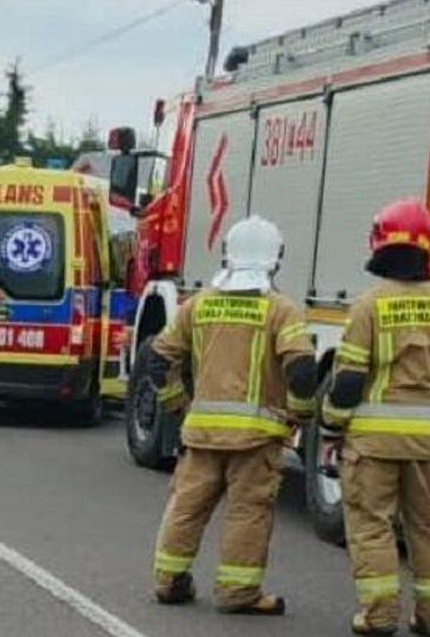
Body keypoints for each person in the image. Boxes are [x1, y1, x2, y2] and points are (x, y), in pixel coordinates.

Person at [321, 199, 430, 636]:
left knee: (372, 527)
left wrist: (330, 427)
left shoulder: (368, 306)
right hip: (427, 445)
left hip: (372, 447)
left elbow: (348, 383)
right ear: (427, 246)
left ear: (379, 243)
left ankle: (378, 617)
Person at [148, 216, 317, 616]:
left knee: (187, 507)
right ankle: (238, 593)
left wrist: (178, 405)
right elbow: (303, 371)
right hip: (257, 440)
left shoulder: (198, 305)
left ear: (227, 254)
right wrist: (299, 416)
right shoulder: (281, 311)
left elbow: (159, 361)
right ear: (276, 260)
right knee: (248, 513)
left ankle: (169, 581)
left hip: (201, 434)